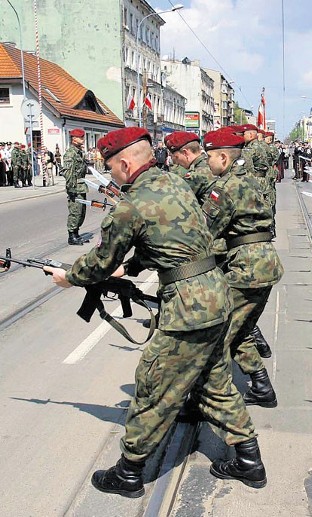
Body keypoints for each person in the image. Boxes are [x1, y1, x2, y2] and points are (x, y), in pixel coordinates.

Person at [44, 126, 266, 498]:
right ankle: (249, 459)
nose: (111, 174)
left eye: (111, 167)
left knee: (153, 385)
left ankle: (129, 472)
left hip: (187, 305)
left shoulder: (130, 206)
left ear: (126, 164)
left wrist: (69, 277)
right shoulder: (174, 184)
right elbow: (168, 237)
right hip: (216, 292)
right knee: (214, 381)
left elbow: (99, 262)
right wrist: (129, 269)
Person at [198, 129, 284, 408]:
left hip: (246, 268)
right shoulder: (248, 181)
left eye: (209, 156)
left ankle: (210, 402)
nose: (206, 161)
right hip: (263, 263)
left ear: (223, 157)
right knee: (242, 330)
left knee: (217, 336)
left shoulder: (225, 188)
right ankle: (262, 387)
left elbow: (204, 233)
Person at [62, 129, 89, 245]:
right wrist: (71, 188)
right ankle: (71, 236)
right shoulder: (70, 153)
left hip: (81, 186)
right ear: (74, 139)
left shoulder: (79, 152)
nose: (83, 139)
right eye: (80, 138)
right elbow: (68, 172)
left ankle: (77, 234)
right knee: (75, 212)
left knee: (81, 212)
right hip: (75, 186)